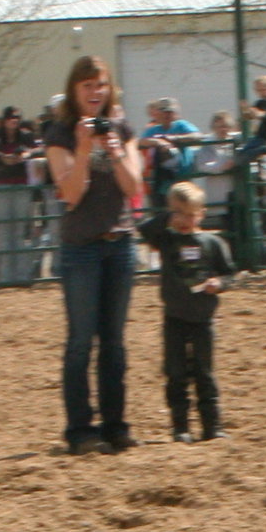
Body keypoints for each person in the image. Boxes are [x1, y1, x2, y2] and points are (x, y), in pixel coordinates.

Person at [44, 54, 143, 455]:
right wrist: (84, 149)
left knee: (115, 342)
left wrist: (116, 151)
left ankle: (116, 425)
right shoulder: (60, 134)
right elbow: (71, 195)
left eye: (100, 84)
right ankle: (80, 430)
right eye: (87, 85)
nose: (95, 92)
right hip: (81, 248)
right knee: (81, 342)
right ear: (74, 90)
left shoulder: (122, 128)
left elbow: (133, 186)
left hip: (119, 243)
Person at [138, 181, 235, 443]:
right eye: (180, 214)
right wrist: (168, 217)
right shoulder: (167, 240)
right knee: (176, 373)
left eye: (191, 215)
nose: (185, 220)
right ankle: (180, 427)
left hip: (204, 319)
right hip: (174, 318)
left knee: (205, 372)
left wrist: (220, 284)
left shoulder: (212, 242)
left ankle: (212, 426)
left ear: (201, 214)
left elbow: (229, 273)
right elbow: (144, 231)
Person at [0, 106, 39, 283]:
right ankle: (5, 277)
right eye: (10, 117)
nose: (14, 120)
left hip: (21, 184)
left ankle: (22, 276)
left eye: (17, 118)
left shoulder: (25, 136)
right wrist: (3, 157)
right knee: (4, 230)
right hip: (0, 185)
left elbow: (40, 148)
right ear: (4, 119)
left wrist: (27, 153)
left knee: (20, 231)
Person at [139, 97, 202, 210]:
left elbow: (197, 136)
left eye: (170, 112)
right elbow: (140, 142)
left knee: (184, 207)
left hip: (182, 177)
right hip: (163, 179)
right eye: (163, 112)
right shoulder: (153, 130)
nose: (167, 115)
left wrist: (175, 139)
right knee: (163, 209)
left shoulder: (182, 125)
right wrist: (157, 142)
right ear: (157, 114)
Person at [192, 110, 240, 232]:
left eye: (226, 126)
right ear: (213, 127)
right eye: (219, 126)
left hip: (234, 189)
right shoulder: (208, 143)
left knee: (236, 222)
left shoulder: (235, 141)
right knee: (226, 223)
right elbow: (202, 165)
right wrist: (222, 165)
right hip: (217, 189)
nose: (223, 129)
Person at [235, 74, 266, 166]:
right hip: (264, 135)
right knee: (245, 151)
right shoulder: (263, 102)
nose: (261, 92)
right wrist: (246, 110)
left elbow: (260, 114)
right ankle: (264, 149)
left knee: (242, 156)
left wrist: (252, 111)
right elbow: (249, 115)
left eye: (264, 89)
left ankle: (265, 148)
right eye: (258, 90)